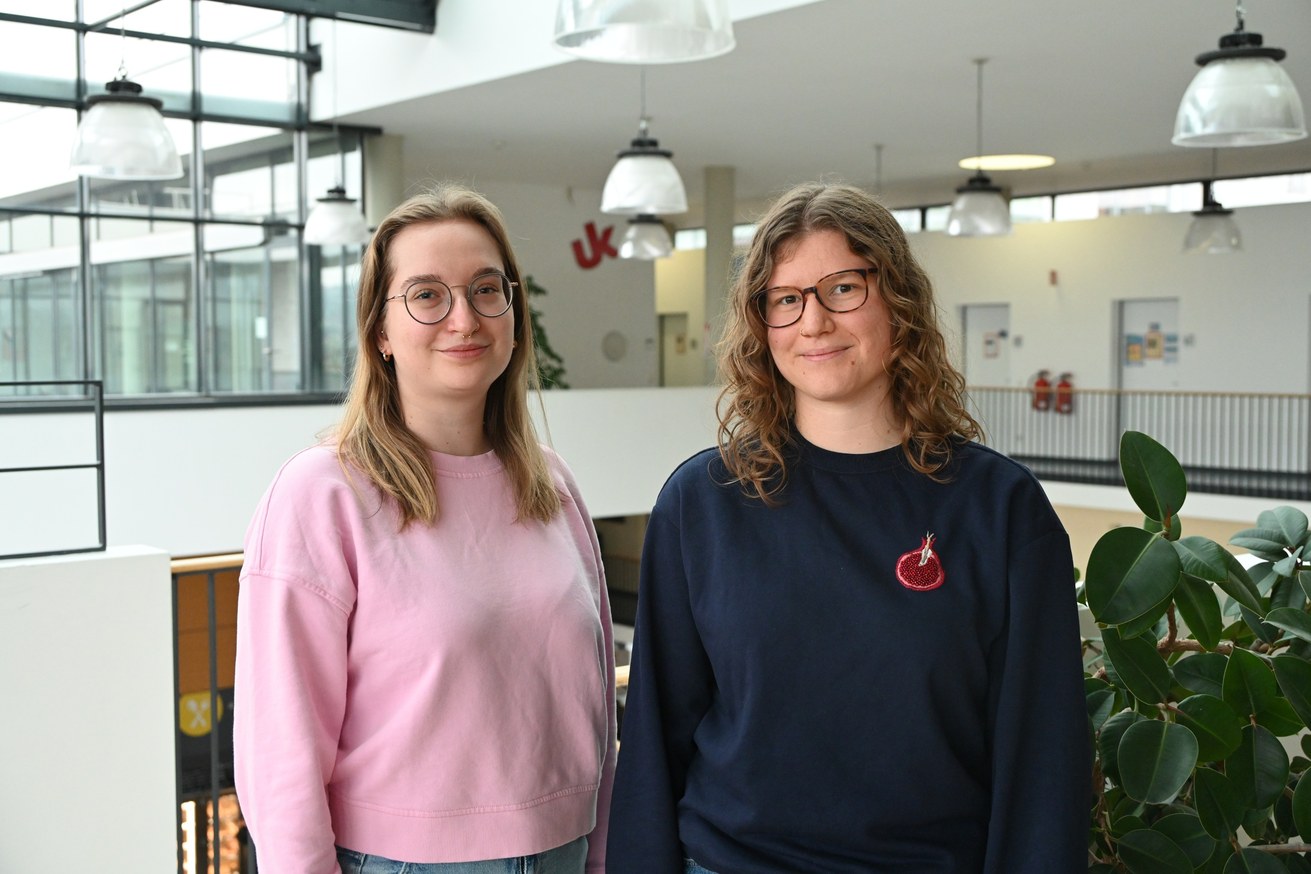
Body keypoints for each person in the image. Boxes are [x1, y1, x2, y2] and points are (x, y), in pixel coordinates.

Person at [607, 182, 1087, 873]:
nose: (812, 323)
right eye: (786, 299)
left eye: (841, 289)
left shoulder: (998, 509)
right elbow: (656, 738)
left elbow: (1042, 760)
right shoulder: (701, 503)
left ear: (897, 300)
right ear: (761, 323)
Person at [234, 184, 616, 874]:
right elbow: (280, 750)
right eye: (426, 295)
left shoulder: (552, 485)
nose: (463, 317)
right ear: (380, 331)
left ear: (513, 313)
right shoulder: (323, 493)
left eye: (485, 289)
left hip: (563, 851)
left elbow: (592, 706)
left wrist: (602, 853)